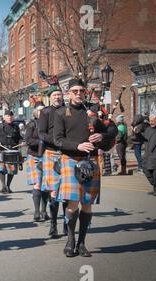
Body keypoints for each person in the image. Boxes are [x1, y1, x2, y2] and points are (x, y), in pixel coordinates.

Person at [53, 78, 115, 257]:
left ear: (85, 92)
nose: (79, 94)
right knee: (72, 203)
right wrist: (77, 146)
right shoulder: (61, 113)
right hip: (71, 159)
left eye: (82, 91)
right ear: (68, 93)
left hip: (91, 160)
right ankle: (70, 239)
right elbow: (58, 139)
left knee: (87, 204)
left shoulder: (94, 111)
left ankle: (82, 243)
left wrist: (101, 136)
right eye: (75, 91)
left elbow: (113, 131)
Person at [39, 86, 67, 237]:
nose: (57, 97)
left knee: (67, 191)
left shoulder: (68, 111)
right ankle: (53, 224)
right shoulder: (45, 112)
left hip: (68, 152)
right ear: (50, 97)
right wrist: (57, 141)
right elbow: (41, 133)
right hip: (51, 152)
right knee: (54, 192)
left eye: (59, 95)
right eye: (54, 95)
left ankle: (67, 224)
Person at [25, 104, 49, 222]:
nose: (42, 112)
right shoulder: (32, 124)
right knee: (38, 184)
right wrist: (40, 142)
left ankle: (44, 211)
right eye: (40, 111)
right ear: (35, 112)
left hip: (47, 156)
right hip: (34, 156)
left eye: (44, 110)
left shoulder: (50, 124)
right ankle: (37, 211)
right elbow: (28, 140)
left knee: (46, 185)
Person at [0, 110, 23, 194]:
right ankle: (3, 186)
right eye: (8, 116)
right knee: (1, 169)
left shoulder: (16, 127)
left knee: (11, 170)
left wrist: (21, 142)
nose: (9, 117)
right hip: (1, 149)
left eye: (11, 116)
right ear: (4, 117)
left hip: (12, 149)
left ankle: (8, 186)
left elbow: (19, 137)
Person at [142, 112, 156, 196]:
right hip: (148, 155)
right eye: (150, 121)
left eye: (153, 121)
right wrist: (136, 134)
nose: (151, 122)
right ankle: (155, 187)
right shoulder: (148, 129)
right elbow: (142, 139)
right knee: (147, 172)